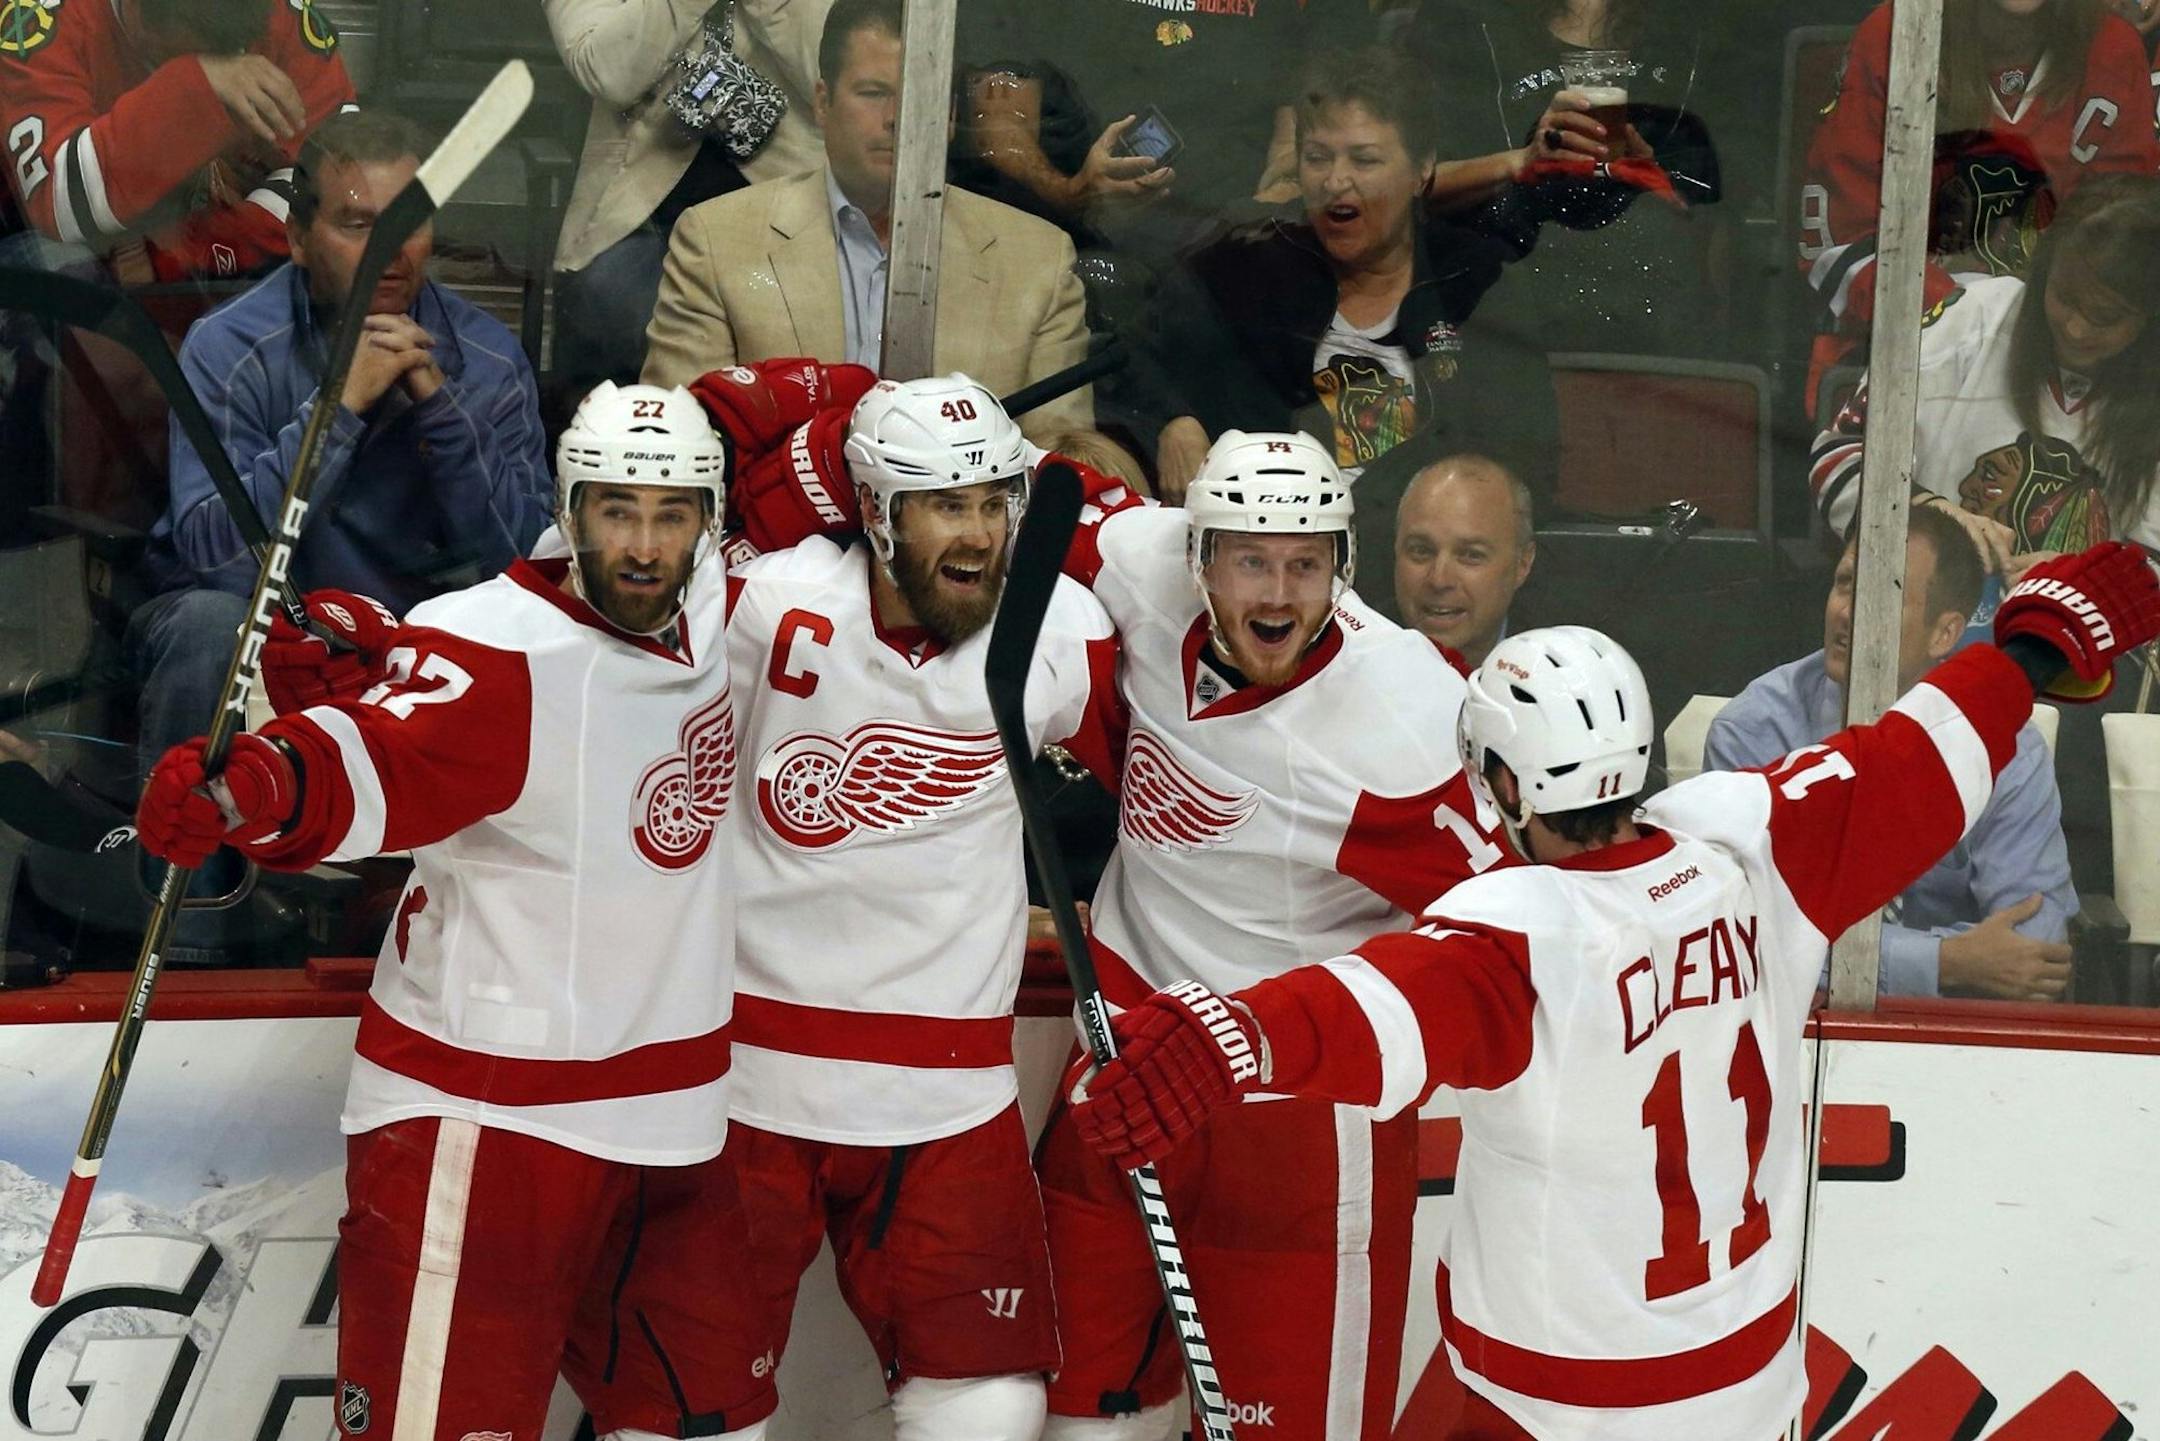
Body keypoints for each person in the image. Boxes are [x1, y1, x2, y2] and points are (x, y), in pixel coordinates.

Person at [1060, 543, 2160, 1441]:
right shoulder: (1754, 842)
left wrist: (1228, 1036)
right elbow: (1915, 758)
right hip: (1750, 1380)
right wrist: (2022, 651)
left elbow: (1367, 1010)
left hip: (1554, 1400)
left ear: (1498, 784)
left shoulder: (1516, 937)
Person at [716, 420, 1512, 1439]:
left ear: (1343, 567)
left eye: (1306, 565)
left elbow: (1503, 938)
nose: (1277, 595)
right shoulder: (1136, 565)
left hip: (1294, 1122)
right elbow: (988, 471)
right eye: (1250, 561)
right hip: (1121, 1072)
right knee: (1077, 1410)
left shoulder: (1406, 720)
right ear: (1196, 556)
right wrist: (793, 470)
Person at [132, 383, 778, 1440]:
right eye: (617, 511)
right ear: (570, 512)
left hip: (671, 1117)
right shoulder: (495, 651)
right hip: (491, 1120)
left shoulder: (713, 609)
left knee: (709, 1420)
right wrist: (246, 786)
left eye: (671, 515)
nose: (645, 546)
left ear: (711, 521)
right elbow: (369, 758)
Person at [723, 375, 1118, 1440]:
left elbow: (1189, 752)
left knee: (994, 1407)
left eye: (996, 503)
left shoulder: (1064, 628)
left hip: (948, 1099)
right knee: (685, 1412)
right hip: (742, 1086)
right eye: (947, 505)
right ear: (875, 511)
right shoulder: (762, 604)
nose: (981, 534)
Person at [642, 0, 1093, 442]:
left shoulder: (1037, 261)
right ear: (823, 102)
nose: (899, 118)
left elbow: (1064, 465)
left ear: (951, 116)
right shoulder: (718, 241)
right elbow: (679, 445)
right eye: (874, 94)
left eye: (921, 97)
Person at [1149, 48, 1558, 501]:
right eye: (1318, 157)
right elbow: (1134, 339)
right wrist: (1175, 419)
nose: (1335, 181)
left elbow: (1527, 455)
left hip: (1416, 550)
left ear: (1422, 170)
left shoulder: (1476, 279)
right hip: (1269, 541)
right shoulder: (1248, 263)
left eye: (1364, 160)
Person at [1707, 506, 2075, 999]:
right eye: (1844, 583)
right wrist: (1943, 963)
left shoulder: (2005, 744)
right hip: (1793, 1021)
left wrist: (1842, 951)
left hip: (1951, 1037)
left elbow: (2038, 947)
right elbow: (1742, 934)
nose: (1848, 611)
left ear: (1944, 633)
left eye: (1882, 594)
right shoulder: (1755, 731)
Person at [1801, 0, 2159, 400]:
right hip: (1903, 360)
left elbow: (2125, 256)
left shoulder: (2112, 49)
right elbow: (1838, 243)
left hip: (2062, 362)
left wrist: (2048, 330)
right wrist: (1972, 320)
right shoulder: (1894, 33)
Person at [1807, 174, 2160, 570]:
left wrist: (2086, 584)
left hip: (2079, 628)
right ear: (2044, 272)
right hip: (1923, 613)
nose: (2076, 328)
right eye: (2063, 297)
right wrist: (1929, 518)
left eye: (2104, 317)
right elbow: (1838, 455)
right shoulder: (1969, 318)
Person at [1400, 0, 1732, 357]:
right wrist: (1521, 161)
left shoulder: (1694, 27)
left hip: (1656, 323)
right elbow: (1399, 190)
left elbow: (1727, 210)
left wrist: (1648, 175)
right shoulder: (1463, 18)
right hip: (1503, 320)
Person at [547, 0, 836, 387]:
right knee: (606, 301)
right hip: (637, 210)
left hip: (788, 209)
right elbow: (607, 73)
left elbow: (839, 78)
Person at [0, 0, 354, 281]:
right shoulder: (42, 18)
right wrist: (195, 84)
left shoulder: (281, 15)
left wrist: (196, 248)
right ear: (138, 15)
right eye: (206, 45)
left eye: (237, 47)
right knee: (49, 266)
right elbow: (60, 207)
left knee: (331, 254)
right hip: (77, 248)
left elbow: (344, 179)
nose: (235, 59)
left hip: (218, 240)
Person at [1385, 453, 1537, 664]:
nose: (1439, 580)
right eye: (1421, 551)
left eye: (1471, 555)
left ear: (1523, 563)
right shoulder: (1348, 659)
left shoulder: (1565, 671)